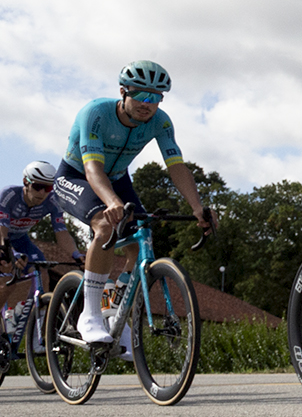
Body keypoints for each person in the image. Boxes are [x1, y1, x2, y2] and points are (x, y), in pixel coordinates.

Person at [53, 61, 214, 354]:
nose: (147, 104)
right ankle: (90, 314)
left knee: (140, 243)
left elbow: (176, 166)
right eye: (140, 95)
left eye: (155, 97)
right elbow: (92, 169)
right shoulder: (95, 113)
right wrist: (112, 201)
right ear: (123, 92)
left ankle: (114, 310)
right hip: (77, 176)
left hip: (117, 178)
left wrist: (197, 207)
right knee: (104, 225)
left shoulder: (161, 122)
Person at [0, 161, 85, 332]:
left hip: (21, 239)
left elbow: (61, 233)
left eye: (48, 188)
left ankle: (40, 332)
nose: (42, 193)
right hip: (3, 238)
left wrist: (76, 255)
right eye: (38, 187)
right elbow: (2, 232)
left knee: (42, 272)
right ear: (26, 182)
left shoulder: (53, 201)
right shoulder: (9, 195)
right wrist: (10, 253)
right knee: (8, 279)